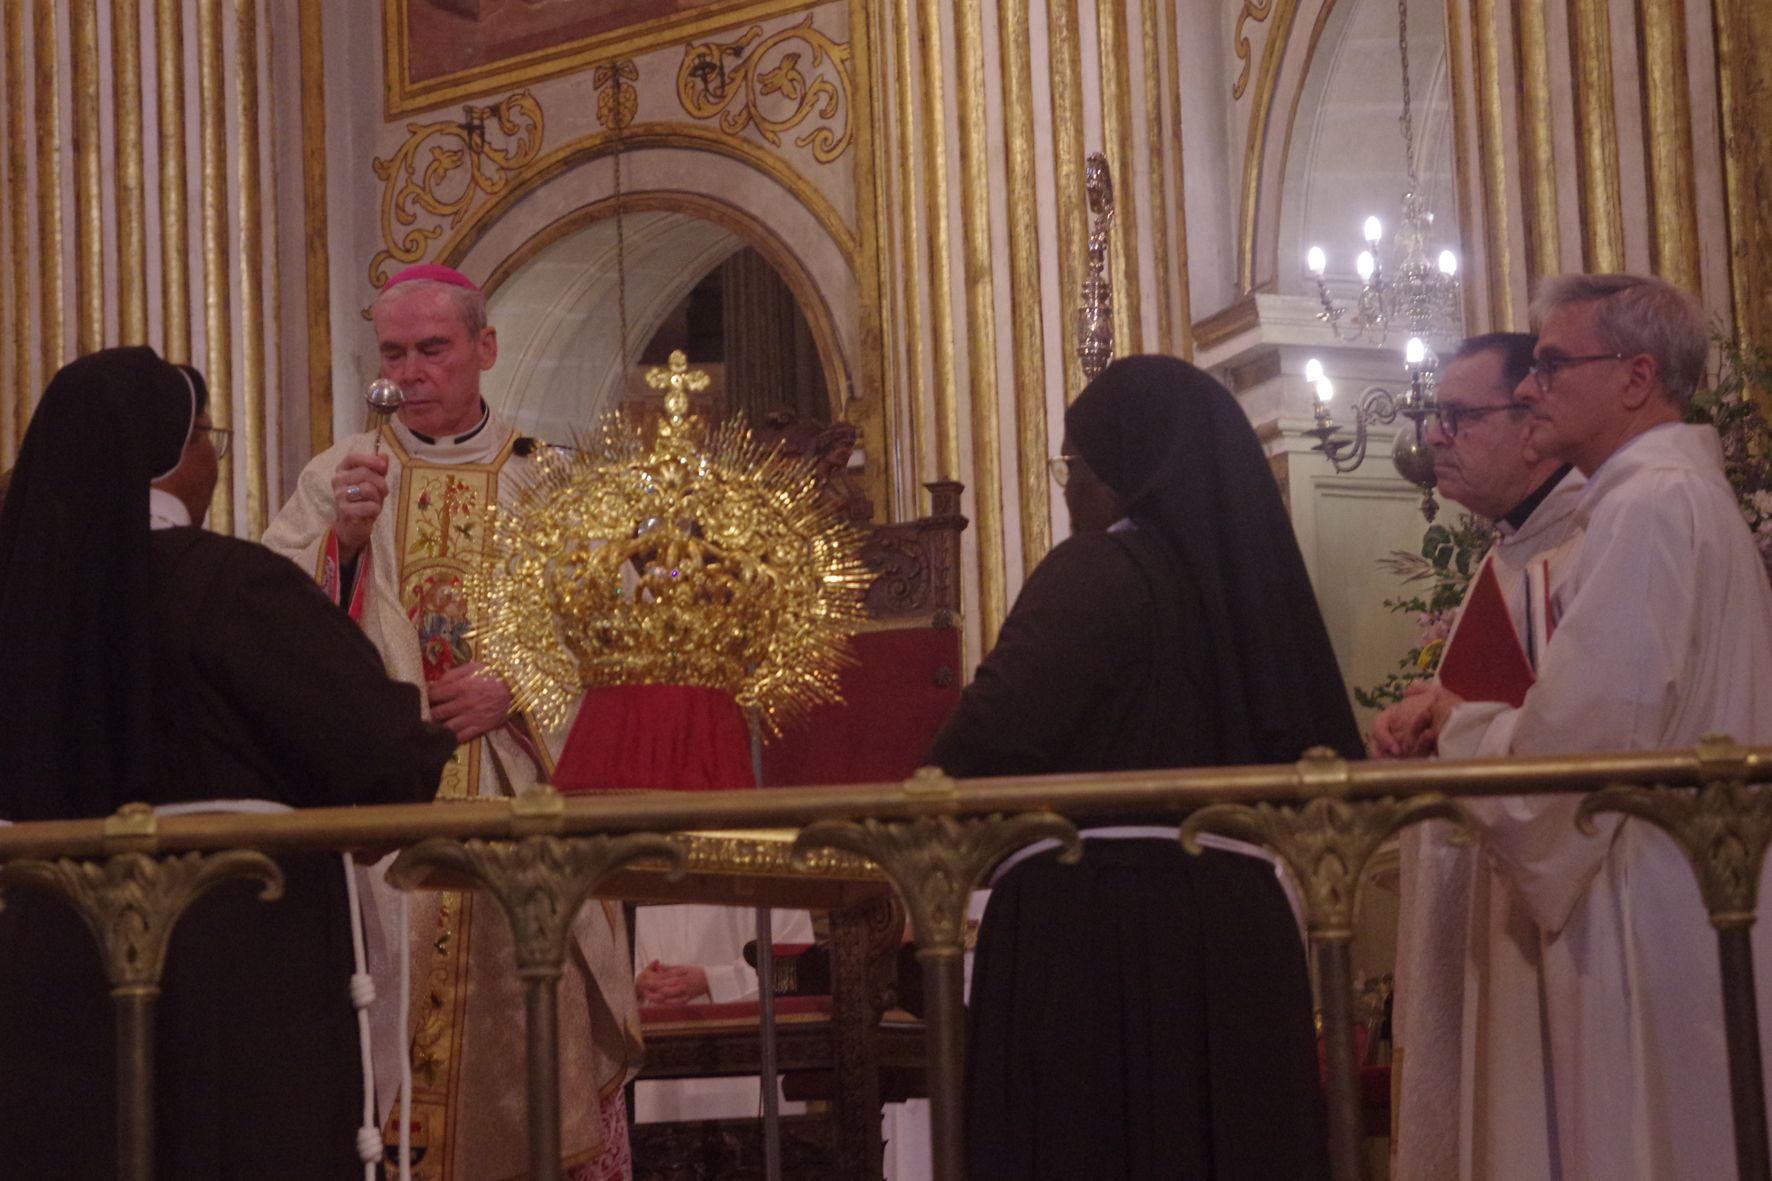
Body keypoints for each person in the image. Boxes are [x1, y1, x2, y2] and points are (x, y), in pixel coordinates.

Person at [0, 347, 455, 1180]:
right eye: (210, 435)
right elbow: (382, 753)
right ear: (170, 456)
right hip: (234, 962)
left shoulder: (21, 602)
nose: (216, 456)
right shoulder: (227, 585)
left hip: (47, 960)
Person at [930, 355, 1360, 1180]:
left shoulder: (1099, 569)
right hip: (1240, 931)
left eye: (1074, 467)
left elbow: (982, 742)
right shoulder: (1242, 587)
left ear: (1125, 473)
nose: (1068, 491)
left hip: (1097, 936)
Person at [263, 264, 640, 1179]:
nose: (413, 369)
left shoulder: (545, 479)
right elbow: (269, 629)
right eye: (395, 351)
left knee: (524, 1053)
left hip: (515, 808)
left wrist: (521, 687)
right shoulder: (341, 475)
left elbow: (620, 632)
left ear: (485, 349)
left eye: (434, 348)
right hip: (387, 823)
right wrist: (341, 546)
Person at [1406, 274, 1772, 1180]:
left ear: (1636, 376)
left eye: (1554, 363)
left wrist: (1454, 729)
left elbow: (1573, 758)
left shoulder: (1648, 511)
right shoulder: (1672, 499)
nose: (1531, 386)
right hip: (1671, 892)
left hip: (1642, 911)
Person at [1368, 333, 1587, 1180]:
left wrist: (1452, 721)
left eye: (1458, 417)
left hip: (1547, 924)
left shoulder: (1585, 550)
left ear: (1531, 423)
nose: (1435, 439)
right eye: (1435, 417)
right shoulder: (1507, 554)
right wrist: (1417, 728)